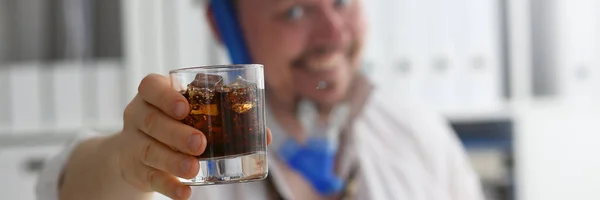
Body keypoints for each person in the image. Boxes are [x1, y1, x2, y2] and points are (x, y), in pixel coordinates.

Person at [36, 0, 485, 199]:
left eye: (342, 1)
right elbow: (75, 185)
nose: (334, 35)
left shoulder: (420, 134)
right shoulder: (192, 161)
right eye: (294, 11)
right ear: (223, 25)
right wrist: (124, 166)